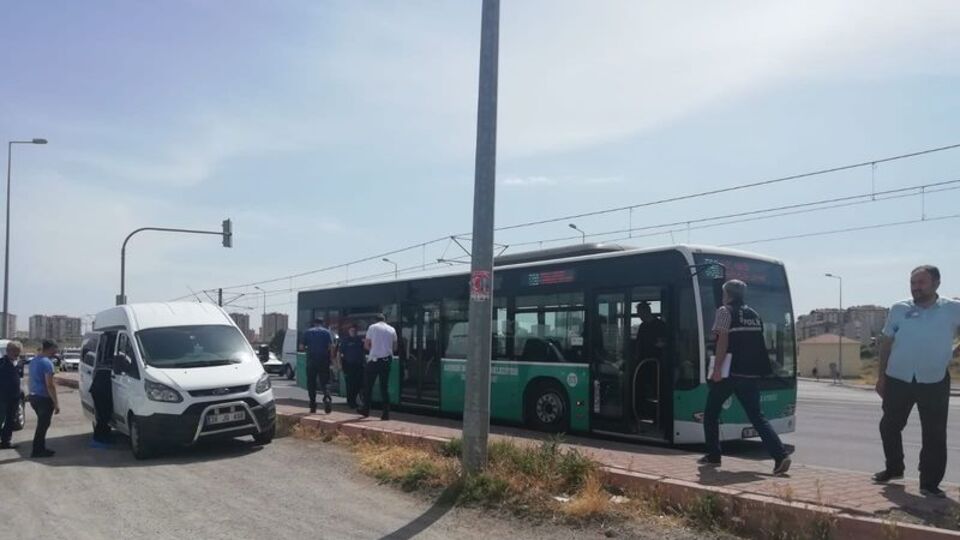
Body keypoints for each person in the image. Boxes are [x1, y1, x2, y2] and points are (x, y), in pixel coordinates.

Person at [872, 265, 960, 498]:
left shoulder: (953, 309)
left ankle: (929, 483)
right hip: (898, 378)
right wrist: (881, 377)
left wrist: (952, 353)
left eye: (921, 283)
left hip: (934, 379)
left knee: (934, 433)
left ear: (936, 284)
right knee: (888, 426)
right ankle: (894, 468)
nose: (915, 288)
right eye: (913, 283)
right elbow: (887, 343)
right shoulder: (899, 309)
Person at [699, 280, 791, 476]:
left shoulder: (724, 311)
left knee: (711, 413)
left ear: (727, 294)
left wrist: (717, 369)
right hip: (750, 374)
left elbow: (722, 340)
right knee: (757, 417)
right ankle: (781, 456)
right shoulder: (754, 314)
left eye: (724, 293)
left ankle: (714, 455)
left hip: (730, 373)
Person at [360, 313, 397, 420]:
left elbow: (366, 345)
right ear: (385, 320)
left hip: (374, 360)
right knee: (384, 388)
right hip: (386, 361)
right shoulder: (392, 329)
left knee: (368, 386)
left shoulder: (372, 327)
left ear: (375, 320)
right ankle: (386, 414)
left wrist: (374, 347)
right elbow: (394, 347)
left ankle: (366, 410)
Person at [28, 340, 60, 458]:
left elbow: (31, 379)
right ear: (50, 348)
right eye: (54, 349)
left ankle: (41, 448)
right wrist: (56, 403)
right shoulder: (47, 363)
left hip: (34, 396)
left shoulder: (34, 361)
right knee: (43, 425)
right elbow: (50, 385)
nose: (56, 352)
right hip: (43, 398)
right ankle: (37, 450)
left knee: (42, 424)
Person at [302, 318, 335, 414]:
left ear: (314, 323)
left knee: (311, 383)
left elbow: (302, 347)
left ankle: (313, 405)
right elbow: (331, 347)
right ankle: (327, 397)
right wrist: (331, 359)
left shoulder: (307, 332)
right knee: (325, 381)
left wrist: (308, 352)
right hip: (324, 360)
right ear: (322, 323)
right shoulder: (327, 332)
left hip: (311, 361)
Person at [0, 341, 23, 449]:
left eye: (18, 352)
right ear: (8, 351)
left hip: (14, 396)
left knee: (10, 420)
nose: (17, 354)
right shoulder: (2, 362)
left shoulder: (19, 363)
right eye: (15, 352)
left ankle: (5, 442)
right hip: (2, 396)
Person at [338, 325, 366, 409]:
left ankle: (354, 400)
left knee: (358, 384)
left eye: (354, 331)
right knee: (350, 385)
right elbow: (339, 354)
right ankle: (351, 402)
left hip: (359, 366)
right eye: (351, 330)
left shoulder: (359, 340)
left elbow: (363, 352)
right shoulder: (345, 341)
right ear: (349, 331)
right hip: (348, 366)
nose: (353, 332)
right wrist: (340, 365)